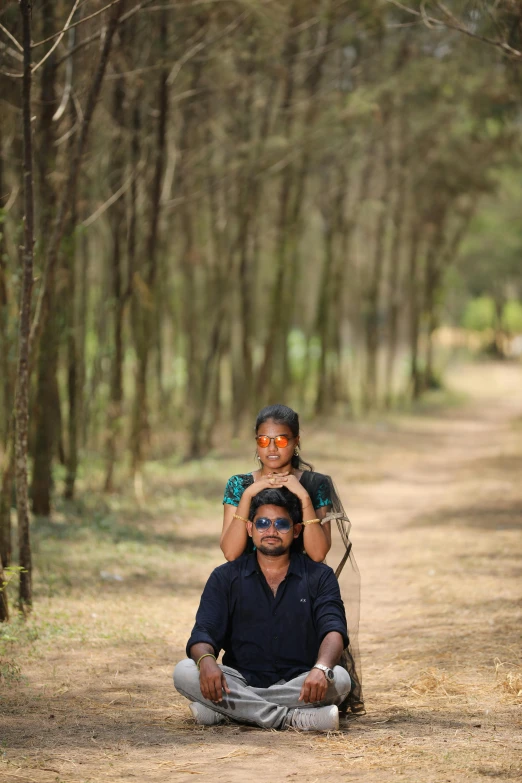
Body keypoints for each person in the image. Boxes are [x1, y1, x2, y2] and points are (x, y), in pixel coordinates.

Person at [219, 403, 364, 714]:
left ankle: (238, 709)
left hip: (301, 592)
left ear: (297, 441)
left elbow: (317, 553)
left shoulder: (314, 484)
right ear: (255, 441)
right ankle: (290, 714)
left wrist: (302, 496)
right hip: (250, 589)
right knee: (199, 670)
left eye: (281, 440)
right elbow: (231, 552)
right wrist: (249, 494)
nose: (272, 448)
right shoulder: (239, 484)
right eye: (263, 440)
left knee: (336, 678)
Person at [173, 487, 352, 731]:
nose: (271, 531)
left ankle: (229, 711)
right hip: (239, 680)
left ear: (296, 530)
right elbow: (203, 632)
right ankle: (292, 719)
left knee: (339, 678)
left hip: (301, 681)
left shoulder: (319, 576)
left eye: (281, 524)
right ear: (250, 529)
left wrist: (320, 669)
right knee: (184, 671)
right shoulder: (225, 577)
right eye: (263, 523)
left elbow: (334, 629)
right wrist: (206, 662)